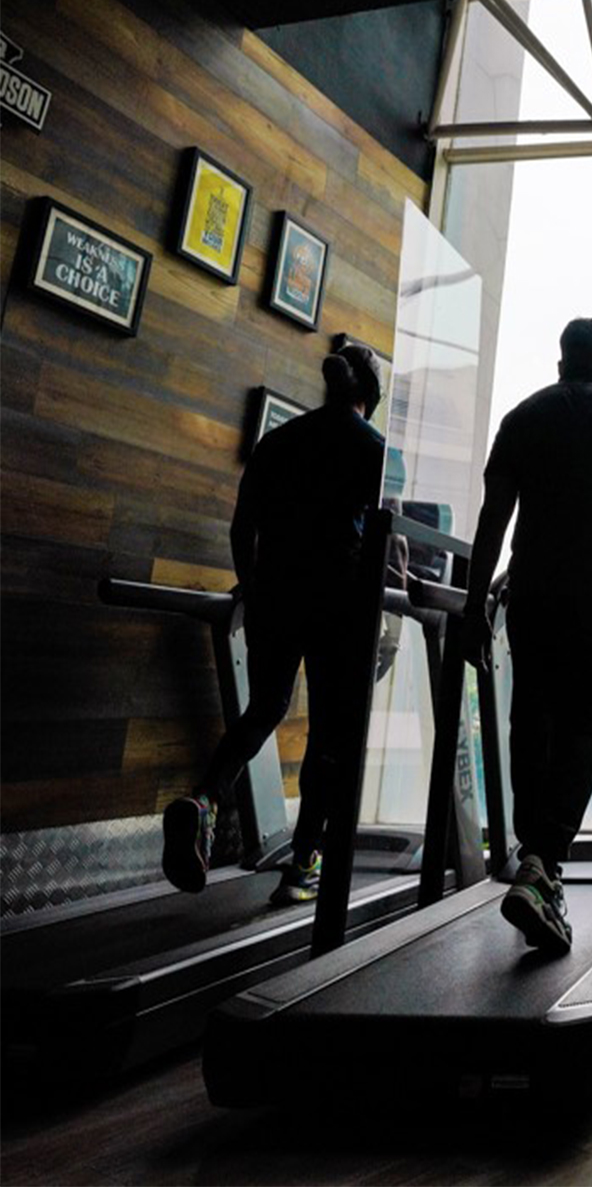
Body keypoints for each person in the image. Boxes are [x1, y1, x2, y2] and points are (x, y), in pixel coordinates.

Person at [463, 317, 592, 955]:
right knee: (587, 723)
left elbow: (493, 520)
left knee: (532, 718)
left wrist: (474, 604)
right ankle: (543, 863)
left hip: (533, 593)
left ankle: (535, 856)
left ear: (562, 360)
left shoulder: (523, 417)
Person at [162, 344, 387, 906]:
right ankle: (302, 865)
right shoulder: (374, 449)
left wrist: (253, 587)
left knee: (264, 708)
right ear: (370, 396)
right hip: (339, 603)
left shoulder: (277, 441)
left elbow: (243, 528)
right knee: (328, 735)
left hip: (276, 596)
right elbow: (383, 542)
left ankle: (205, 800)